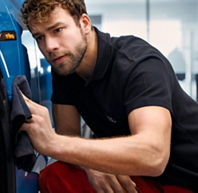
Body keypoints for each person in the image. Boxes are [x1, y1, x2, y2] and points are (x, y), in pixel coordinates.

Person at [20, 0, 198, 192]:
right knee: (55, 175)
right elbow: (69, 136)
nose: (49, 46)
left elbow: (154, 156)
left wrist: (51, 142)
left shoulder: (138, 63)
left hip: (186, 178)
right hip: (139, 177)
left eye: (58, 30)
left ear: (85, 23)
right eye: (39, 37)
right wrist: (90, 163)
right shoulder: (66, 67)